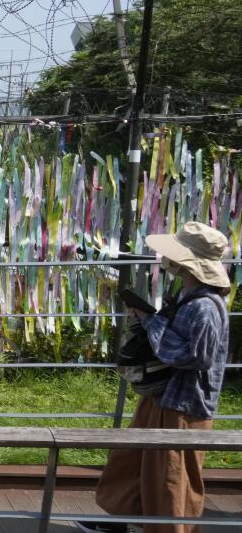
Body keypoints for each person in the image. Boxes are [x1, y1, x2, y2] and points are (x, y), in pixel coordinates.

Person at [78, 222, 232, 533]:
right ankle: (123, 520)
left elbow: (197, 357)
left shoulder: (204, 307)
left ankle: (171, 529)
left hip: (184, 406)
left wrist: (152, 324)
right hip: (167, 398)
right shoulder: (190, 297)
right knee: (137, 462)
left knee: (171, 477)